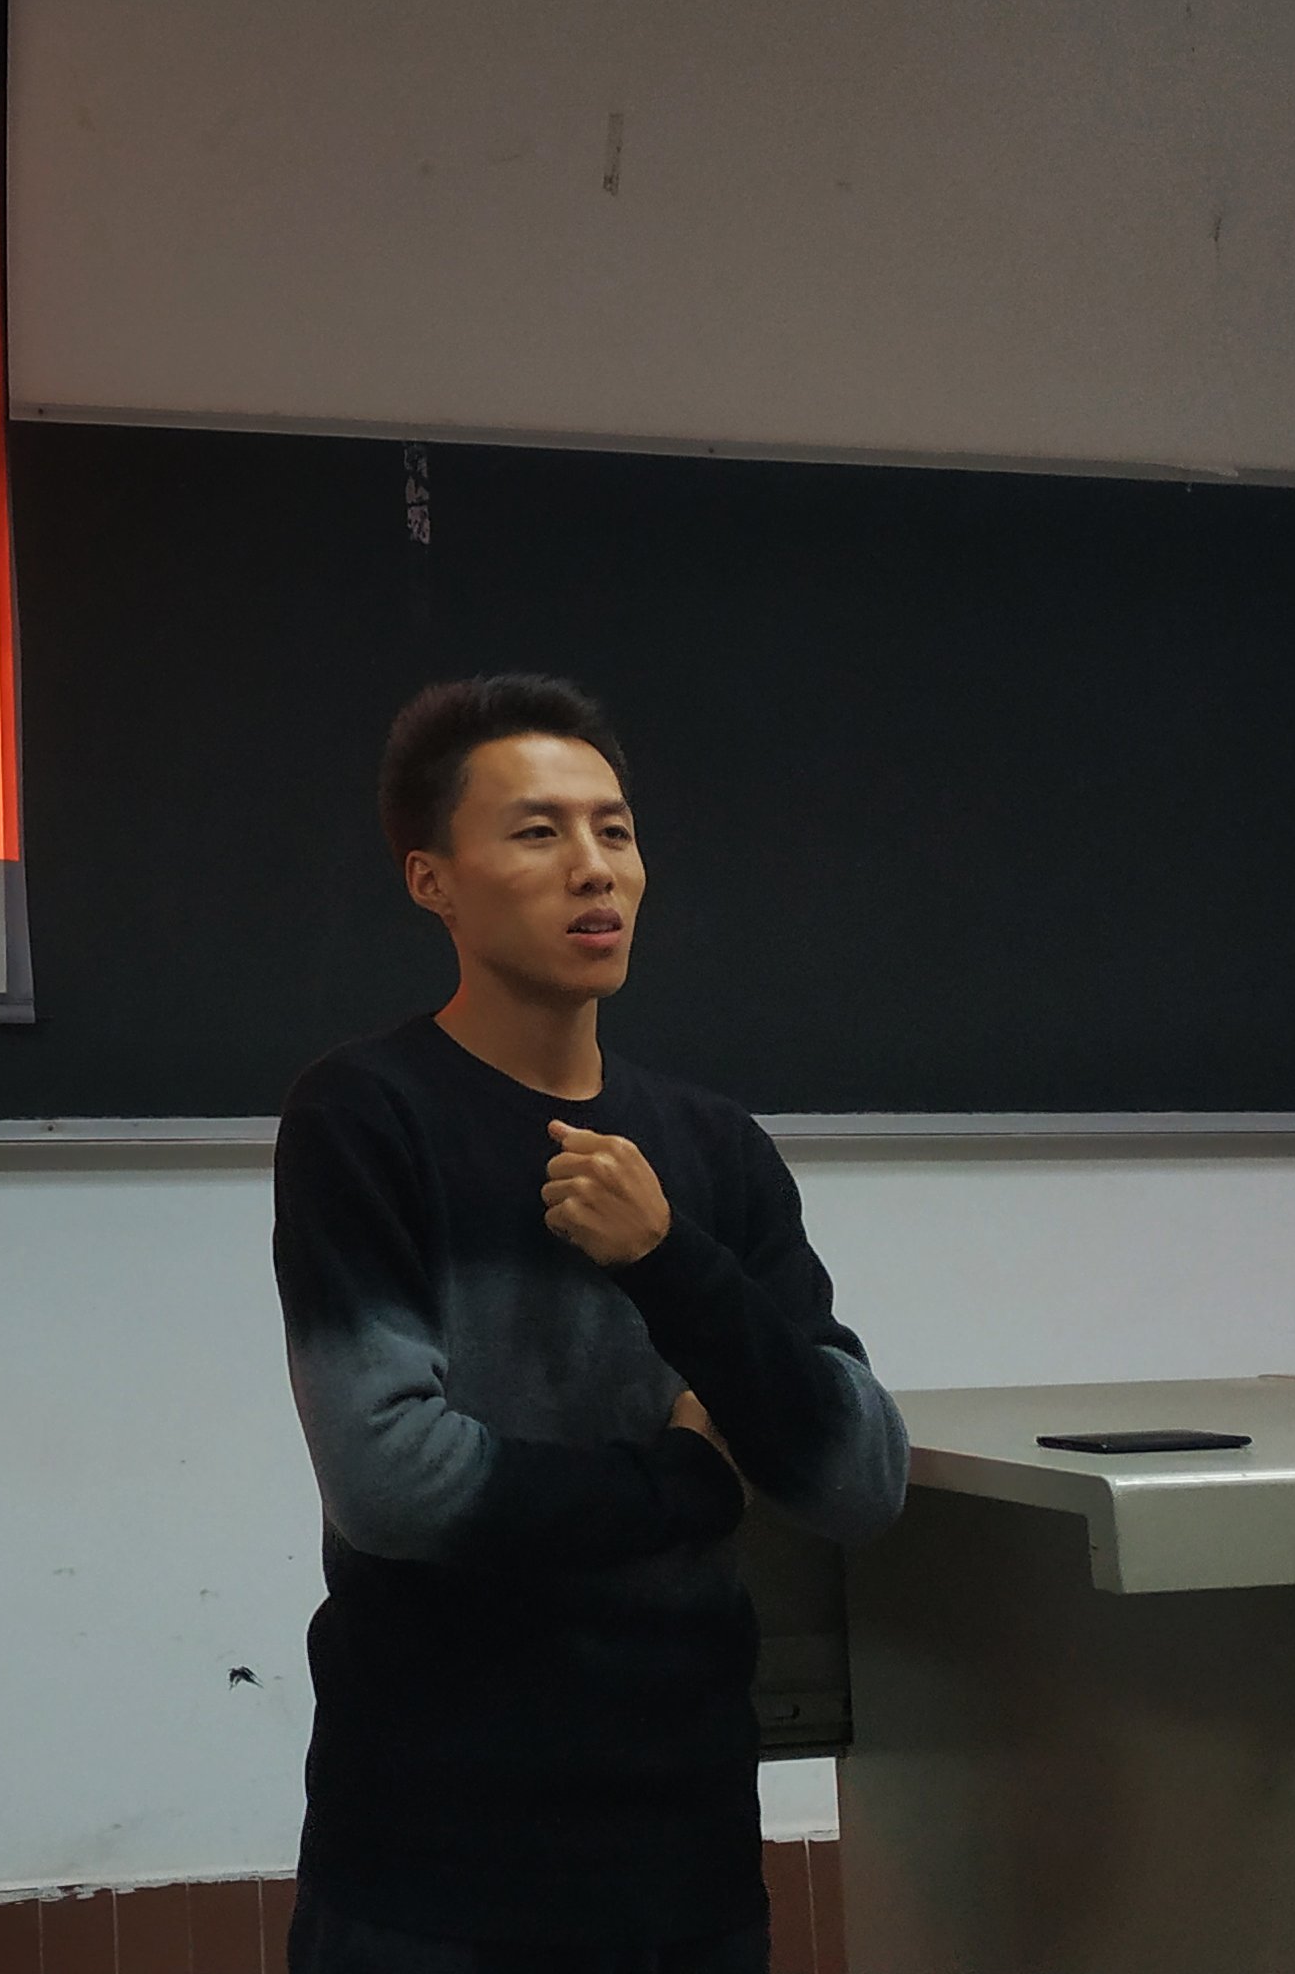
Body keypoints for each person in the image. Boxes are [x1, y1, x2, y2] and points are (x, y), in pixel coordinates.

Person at [272, 673, 908, 1974]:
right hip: (434, 1860)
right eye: (537, 831)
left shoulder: (714, 1150)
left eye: (614, 831)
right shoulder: (365, 1117)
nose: (593, 868)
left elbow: (857, 1472)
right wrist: (686, 1480)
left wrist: (669, 1259)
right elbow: (392, 1479)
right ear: (432, 880)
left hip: (685, 1850)